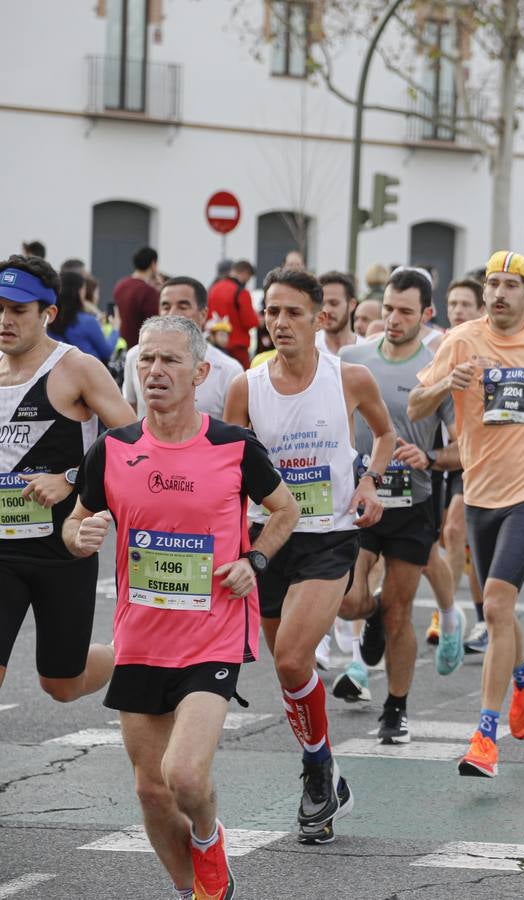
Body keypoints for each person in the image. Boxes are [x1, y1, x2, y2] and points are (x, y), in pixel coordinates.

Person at [63, 315, 299, 900]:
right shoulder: (113, 449)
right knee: (151, 790)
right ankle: (197, 891)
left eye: (170, 360)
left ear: (200, 373)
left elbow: (286, 511)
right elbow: (75, 521)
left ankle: (208, 836)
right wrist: (79, 536)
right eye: (146, 359)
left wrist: (255, 560)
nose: (155, 371)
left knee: (185, 776)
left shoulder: (234, 447)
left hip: (212, 636)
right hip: (140, 639)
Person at [410, 251, 524, 779]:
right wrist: (447, 385)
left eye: (510, 285)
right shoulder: (462, 340)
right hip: (479, 492)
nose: (498, 293)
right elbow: (416, 405)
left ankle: (485, 738)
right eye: (492, 283)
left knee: (495, 603)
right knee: (499, 612)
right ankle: (522, 678)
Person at [223, 266, 395, 843]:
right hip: (269, 538)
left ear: (319, 318)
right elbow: (228, 469)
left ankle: (317, 772)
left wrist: (369, 481)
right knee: (288, 670)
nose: (280, 322)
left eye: (292, 312)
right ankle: (323, 765)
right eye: (271, 311)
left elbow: (385, 435)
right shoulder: (247, 387)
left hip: (330, 536)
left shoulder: (349, 378)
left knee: (294, 660)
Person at [332, 267, 462, 742]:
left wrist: (429, 456)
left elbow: (464, 449)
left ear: (427, 314)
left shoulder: (437, 368)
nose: (393, 319)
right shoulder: (352, 359)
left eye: (405, 312)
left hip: (413, 503)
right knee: (349, 601)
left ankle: (396, 707)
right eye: (388, 308)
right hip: (359, 496)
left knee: (399, 610)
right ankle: (371, 618)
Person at [0, 254, 136, 701]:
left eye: (18, 310)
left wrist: (73, 478)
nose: (5, 320)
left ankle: (129, 653)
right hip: (2, 548)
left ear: (49, 313)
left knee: (62, 683)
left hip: (62, 547)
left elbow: (136, 444)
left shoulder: (77, 368)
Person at [436, 279, 487, 649]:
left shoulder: (488, 349)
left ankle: (451, 615)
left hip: (477, 456)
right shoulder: (437, 345)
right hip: (440, 454)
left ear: (480, 309)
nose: (457, 310)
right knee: (449, 537)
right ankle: (466, 613)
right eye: (452, 303)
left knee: (456, 530)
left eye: (465, 304)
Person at [123, 277, 245, 419]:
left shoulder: (229, 370)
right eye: (166, 307)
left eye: (183, 307)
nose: (172, 314)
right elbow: (129, 412)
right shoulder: (134, 356)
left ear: (203, 314)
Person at [49, 269, 114, 362]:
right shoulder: (88, 321)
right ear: (79, 292)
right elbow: (106, 352)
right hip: (87, 369)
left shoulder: (50, 320)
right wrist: (115, 330)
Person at [206, 260, 258, 370]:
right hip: (237, 349)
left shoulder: (213, 289)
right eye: (248, 278)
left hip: (215, 345)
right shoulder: (242, 292)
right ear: (245, 273)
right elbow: (250, 322)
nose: (247, 281)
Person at [113, 246, 161, 348]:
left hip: (120, 344)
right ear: (153, 264)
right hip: (139, 346)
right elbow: (155, 324)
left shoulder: (120, 285)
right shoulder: (148, 291)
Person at [318, 271, 360, 357]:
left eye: (334, 303)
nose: (326, 310)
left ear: (352, 304)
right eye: (322, 304)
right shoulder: (308, 347)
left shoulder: (365, 349)